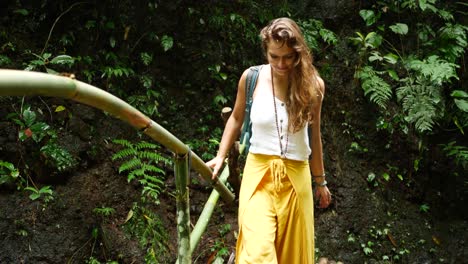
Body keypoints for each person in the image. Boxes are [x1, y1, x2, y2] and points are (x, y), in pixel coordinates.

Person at [206, 17, 332, 264]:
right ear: (266, 51)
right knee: (257, 253)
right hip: (259, 174)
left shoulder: (314, 86)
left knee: (292, 258)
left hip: (297, 176)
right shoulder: (251, 77)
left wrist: (320, 182)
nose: (281, 63)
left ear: (298, 53)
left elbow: (314, 138)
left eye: (287, 57)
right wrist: (220, 155)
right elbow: (236, 118)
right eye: (274, 56)